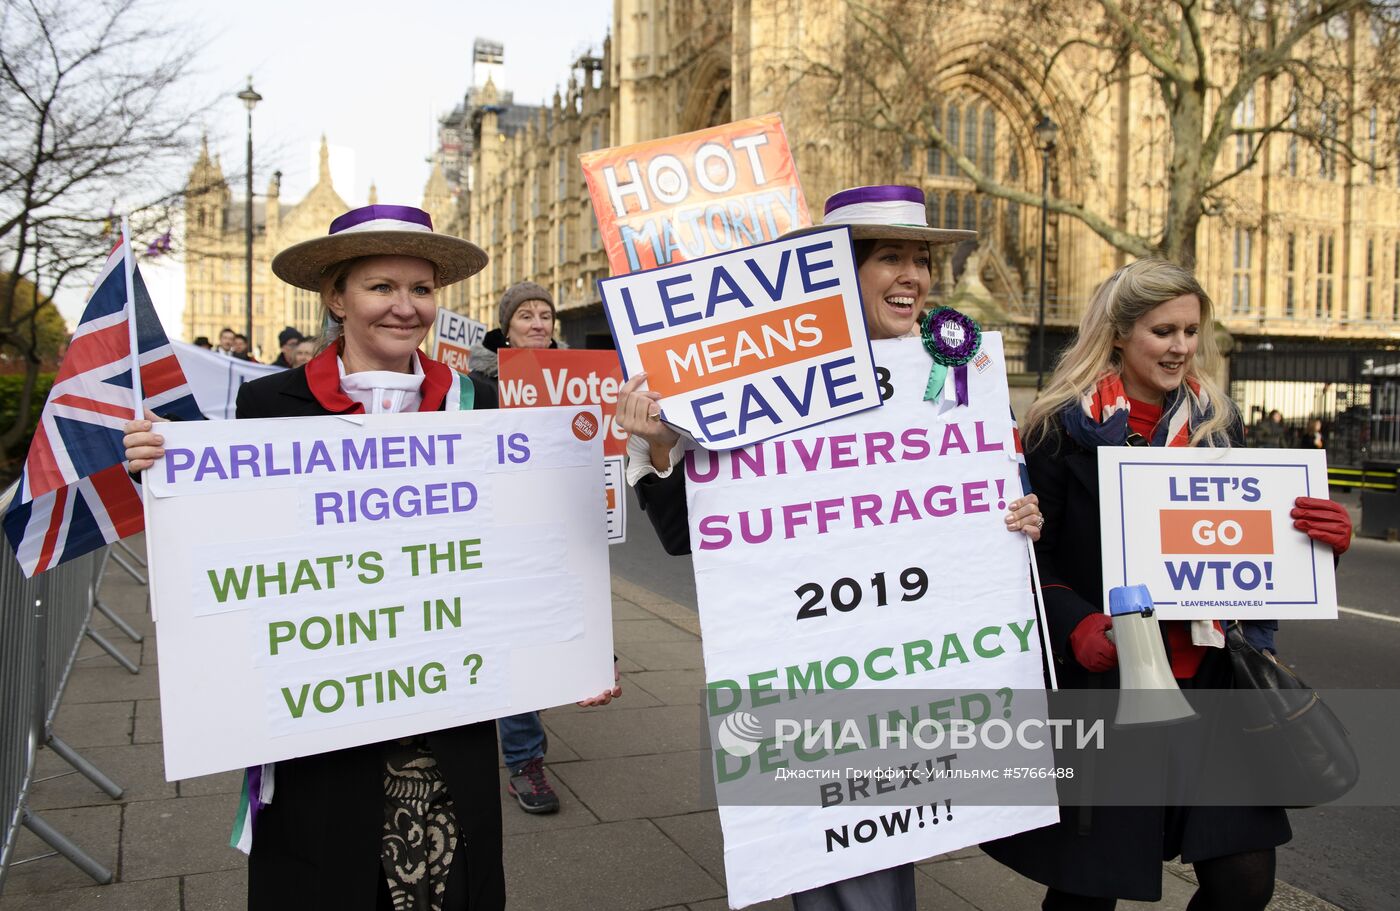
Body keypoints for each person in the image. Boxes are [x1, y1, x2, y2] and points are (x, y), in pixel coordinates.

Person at [123, 204, 620, 910]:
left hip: (451, 705)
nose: (404, 307)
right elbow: (235, 546)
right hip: (324, 714)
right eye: (381, 287)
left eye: (420, 289)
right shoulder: (270, 405)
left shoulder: (481, 406)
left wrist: (582, 645)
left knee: (446, 885)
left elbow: (538, 541)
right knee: (330, 877)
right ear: (336, 297)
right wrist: (159, 471)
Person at [617, 185, 1045, 911]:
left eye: (920, 259)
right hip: (814, 663)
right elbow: (691, 533)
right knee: (840, 865)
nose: (912, 275)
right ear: (837, 274)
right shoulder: (768, 383)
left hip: (914, 663)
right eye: (889, 257)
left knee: (886, 855)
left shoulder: (961, 375)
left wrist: (1020, 514)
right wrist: (660, 450)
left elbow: (989, 502)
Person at [981, 258, 1353, 911]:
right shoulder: (1059, 426)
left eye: (1190, 330)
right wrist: (1076, 624)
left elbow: (1246, 555)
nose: (1181, 346)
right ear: (1120, 333)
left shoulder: (1217, 423)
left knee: (1243, 881)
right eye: (1163, 331)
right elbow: (1024, 556)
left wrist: (1317, 545)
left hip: (1212, 683)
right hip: (1109, 687)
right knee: (1088, 892)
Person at [466, 280, 563, 388]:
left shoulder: (573, 378)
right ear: (507, 330)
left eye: (545, 317)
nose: (538, 325)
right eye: (526, 317)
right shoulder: (478, 386)